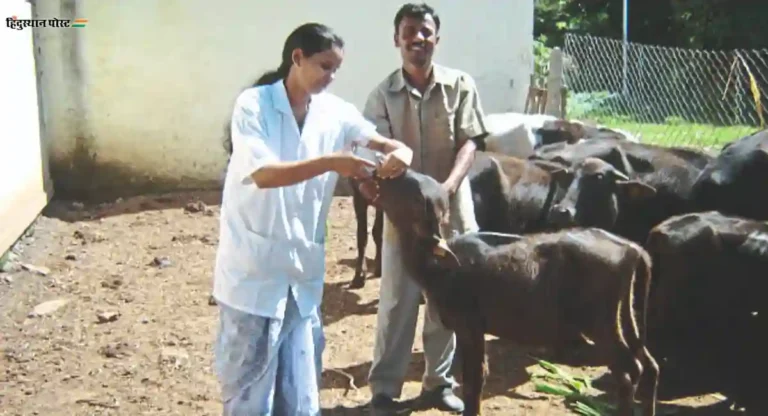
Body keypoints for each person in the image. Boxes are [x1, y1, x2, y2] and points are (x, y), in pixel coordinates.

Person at [212, 22, 413, 416]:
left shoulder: (335, 112)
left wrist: (400, 151)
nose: (331, 77)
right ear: (297, 58)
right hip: (254, 272)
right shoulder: (254, 105)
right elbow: (265, 174)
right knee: (249, 392)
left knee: (300, 392)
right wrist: (332, 162)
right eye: (324, 66)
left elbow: (378, 141)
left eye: (336, 69)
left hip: (301, 273)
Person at [363, 3, 490, 414]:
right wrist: (389, 195)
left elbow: (471, 141)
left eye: (426, 31)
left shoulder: (460, 85)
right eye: (410, 31)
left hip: (453, 209)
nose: (418, 38)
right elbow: (371, 154)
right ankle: (385, 389)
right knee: (398, 300)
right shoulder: (382, 94)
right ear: (397, 38)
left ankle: (439, 383)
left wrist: (447, 189)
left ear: (437, 37)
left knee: (447, 299)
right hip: (403, 215)